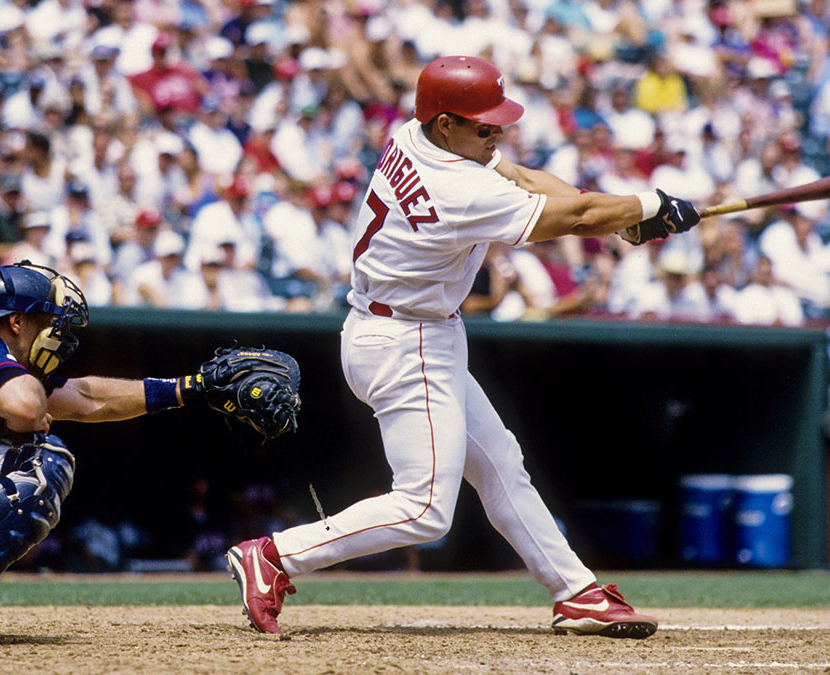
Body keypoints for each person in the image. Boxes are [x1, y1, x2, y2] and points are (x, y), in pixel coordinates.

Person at [225, 55, 700, 640]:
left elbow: (528, 180)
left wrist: (622, 215)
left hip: (409, 330)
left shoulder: (418, 136)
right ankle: (274, 555)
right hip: (407, 340)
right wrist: (646, 207)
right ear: (446, 123)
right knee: (425, 508)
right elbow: (572, 217)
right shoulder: (455, 187)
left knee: (501, 463)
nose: (495, 132)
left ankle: (575, 592)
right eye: (484, 125)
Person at [0, 261, 298, 646]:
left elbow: (83, 398)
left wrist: (192, 389)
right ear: (16, 321)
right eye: (48, 322)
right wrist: (32, 410)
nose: (59, 335)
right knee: (40, 459)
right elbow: (25, 406)